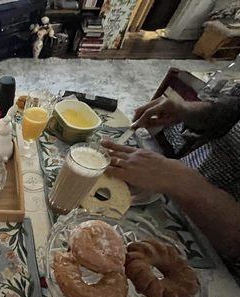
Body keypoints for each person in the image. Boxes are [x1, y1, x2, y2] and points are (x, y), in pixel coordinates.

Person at [101, 95, 240, 260]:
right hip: (175, 190)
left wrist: (187, 183)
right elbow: (234, 108)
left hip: (217, 251)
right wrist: (191, 110)